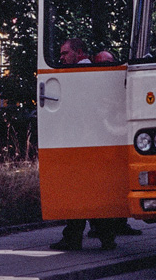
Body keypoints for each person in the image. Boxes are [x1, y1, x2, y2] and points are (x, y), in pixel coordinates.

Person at [49, 38, 142, 251]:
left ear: (79, 53)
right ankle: (104, 236)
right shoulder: (89, 72)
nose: (61, 58)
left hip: (82, 139)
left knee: (79, 189)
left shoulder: (79, 75)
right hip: (94, 138)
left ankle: (76, 237)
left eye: (65, 53)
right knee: (91, 189)